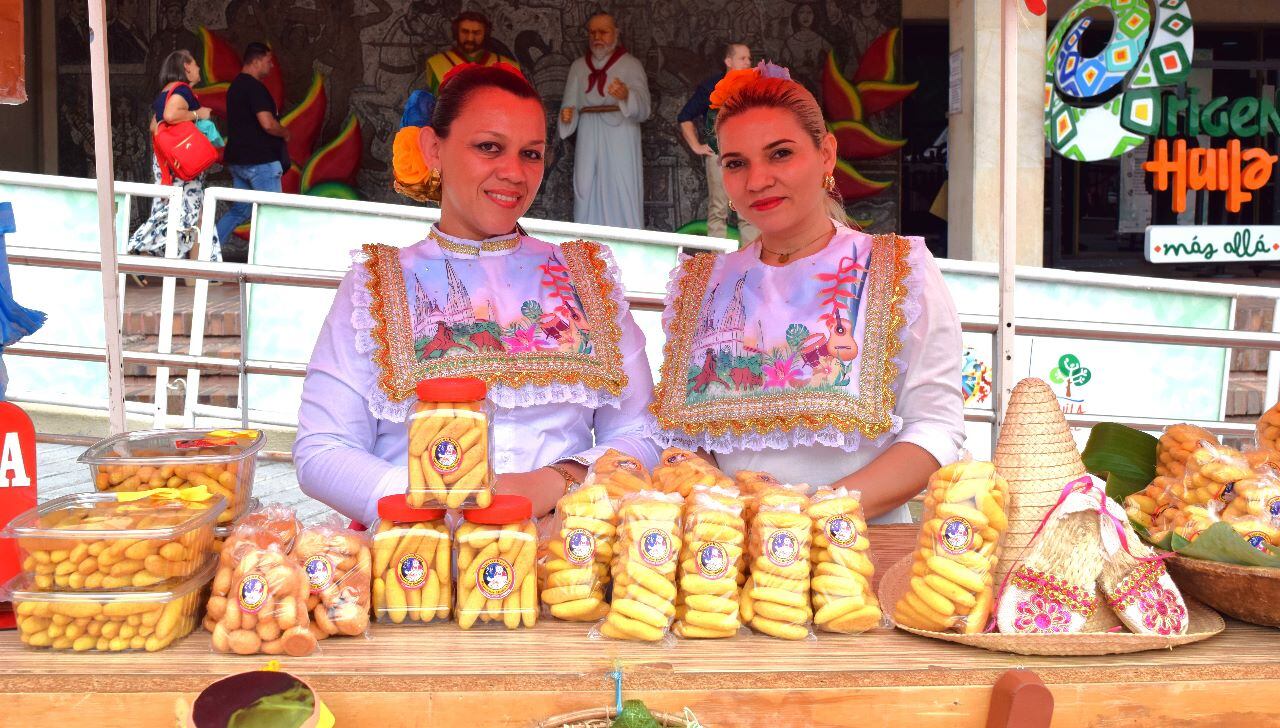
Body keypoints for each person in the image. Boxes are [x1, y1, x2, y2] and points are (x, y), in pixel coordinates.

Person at [294, 64, 660, 525]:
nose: (513, 172)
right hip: (413, 564)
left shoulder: (585, 279)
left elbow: (642, 432)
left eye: (531, 154)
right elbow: (322, 449)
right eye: (489, 147)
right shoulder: (378, 284)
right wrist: (436, 506)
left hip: (562, 557)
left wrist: (555, 481)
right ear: (433, 148)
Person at [647, 63, 964, 524]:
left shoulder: (896, 270)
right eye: (736, 163)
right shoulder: (704, 285)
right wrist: (735, 517)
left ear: (827, 154)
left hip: (855, 554)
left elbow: (934, 427)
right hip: (728, 558)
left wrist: (811, 517)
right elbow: (686, 438)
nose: (757, 180)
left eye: (780, 154)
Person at [558, 12, 650, 229]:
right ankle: (586, 242)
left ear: (616, 34)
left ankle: (627, 241)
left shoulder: (631, 64)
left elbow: (645, 107)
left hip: (621, 133)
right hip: (588, 130)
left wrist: (627, 95)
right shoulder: (578, 67)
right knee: (584, 185)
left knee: (621, 184)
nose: (597, 36)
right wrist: (567, 114)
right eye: (592, 32)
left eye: (603, 31)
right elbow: (569, 103)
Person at [128, 49, 222, 262]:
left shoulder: (165, 92)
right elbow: (171, 115)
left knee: (196, 215)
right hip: (183, 166)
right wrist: (199, 114)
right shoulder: (183, 90)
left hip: (168, 162)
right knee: (185, 215)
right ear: (186, 67)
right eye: (196, 64)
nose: (199, 68)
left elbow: (155, 126)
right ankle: (138, 249)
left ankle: (199, 273)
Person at [677, 42, 758, 243]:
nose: (748, 62)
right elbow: (684, 116)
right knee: (718, 209)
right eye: (742, 58)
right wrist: (696, 146)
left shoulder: (756, 86)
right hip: (719, 152)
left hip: (750, 154)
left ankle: (752, 264)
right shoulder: (712, 86)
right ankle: (718, 265)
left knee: (750, 208)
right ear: (728, 61)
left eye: (749, 58)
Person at [215, 42, 290, 247]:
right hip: (260, 162)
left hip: (239, 162)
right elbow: (267, 124)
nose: (271, 66)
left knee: (240, 211)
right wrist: (285, 132)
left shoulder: (235, 87)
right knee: (273, 213)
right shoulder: (254, 88)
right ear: (256, 61)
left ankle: (209, 252)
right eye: (268, 61)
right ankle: (271, 267)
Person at [424, 11, 518, 95]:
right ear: (456, 32)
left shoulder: (509, 66)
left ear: (485, 34)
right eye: (465, 32)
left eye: (476, 33)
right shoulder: (437, 64)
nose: (470, 38)